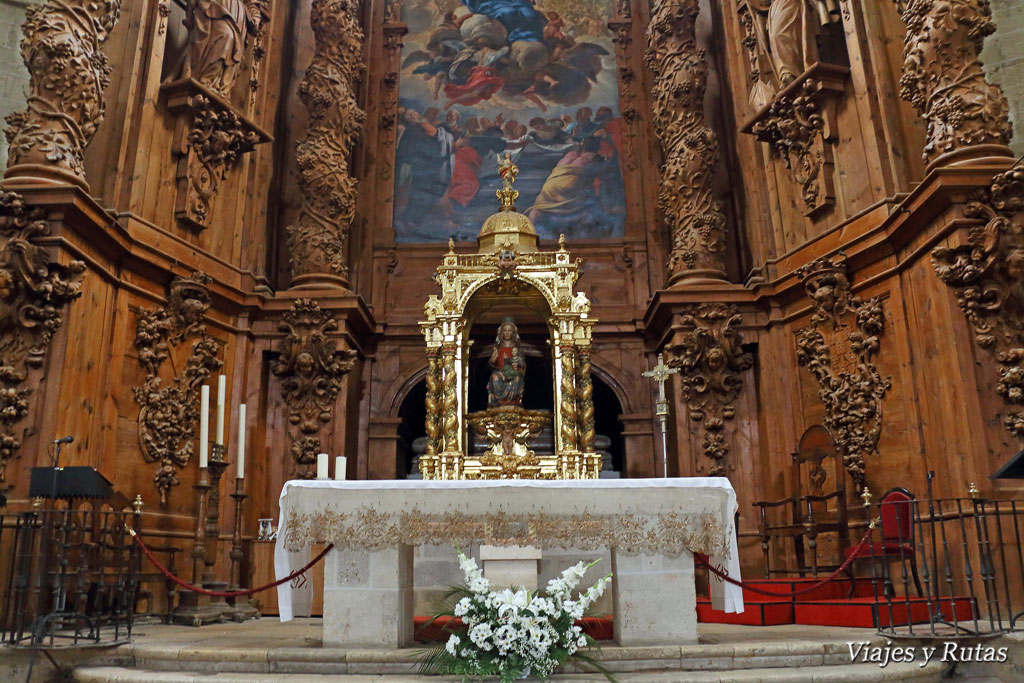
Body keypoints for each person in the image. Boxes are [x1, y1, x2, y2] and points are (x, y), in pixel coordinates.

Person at [487, 318, 526, 408]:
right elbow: (491, 365)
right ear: (501, 332)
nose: (507, 333)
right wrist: (492, 361)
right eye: (505, 331)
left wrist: (518, 366)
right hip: (500, 373)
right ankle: (498, 401)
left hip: (513, 373)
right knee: (494, 377)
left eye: (509, 330)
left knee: (517, 378)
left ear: (513, 333)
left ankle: (512, 400)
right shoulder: (497, 348)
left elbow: (523, 365)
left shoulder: (518, 349)